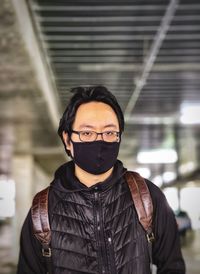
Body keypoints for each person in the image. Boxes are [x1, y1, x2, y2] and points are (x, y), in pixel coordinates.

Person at [17, 85, 185, 274]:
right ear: (67, 140)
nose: (100, 140)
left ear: (119, 137)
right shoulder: (42, 210)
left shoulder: (147, 197)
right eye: (87, 133)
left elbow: (173, 267)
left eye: (109, 132)